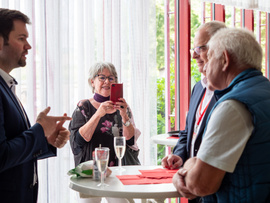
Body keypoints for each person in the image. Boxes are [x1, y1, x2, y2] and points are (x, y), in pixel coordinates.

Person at [173, 27, 270, 202]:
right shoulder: (263, 93)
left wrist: (185, 167)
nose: (205, 65)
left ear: (225, 60)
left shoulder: (233, 106)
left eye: (209, 58)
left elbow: (199, 185)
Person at [0, 8, 72, 203]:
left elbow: (13, 144)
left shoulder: (7, 85)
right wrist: (39, 131)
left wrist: (45, 140)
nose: (29, 46)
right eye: (21, 38)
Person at [69, 62, 141, 203]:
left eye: (111, 78)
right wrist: (98, 114)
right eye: (102, 77)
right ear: (92, 82)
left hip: (117, 173)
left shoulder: (123, 107)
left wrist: (124, 115)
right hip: (91, 173)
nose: (107, 82)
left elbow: (130, 141)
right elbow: (78, 141)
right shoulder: (83, 106)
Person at [161, 21, 226, 172]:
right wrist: (179, 156)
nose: (194, 55)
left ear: (219, 49)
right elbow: (188, 131)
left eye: (200, 48)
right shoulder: (198, 87)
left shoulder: (231, 93)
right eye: (193, 49)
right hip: (195, 183)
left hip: (214, 183)